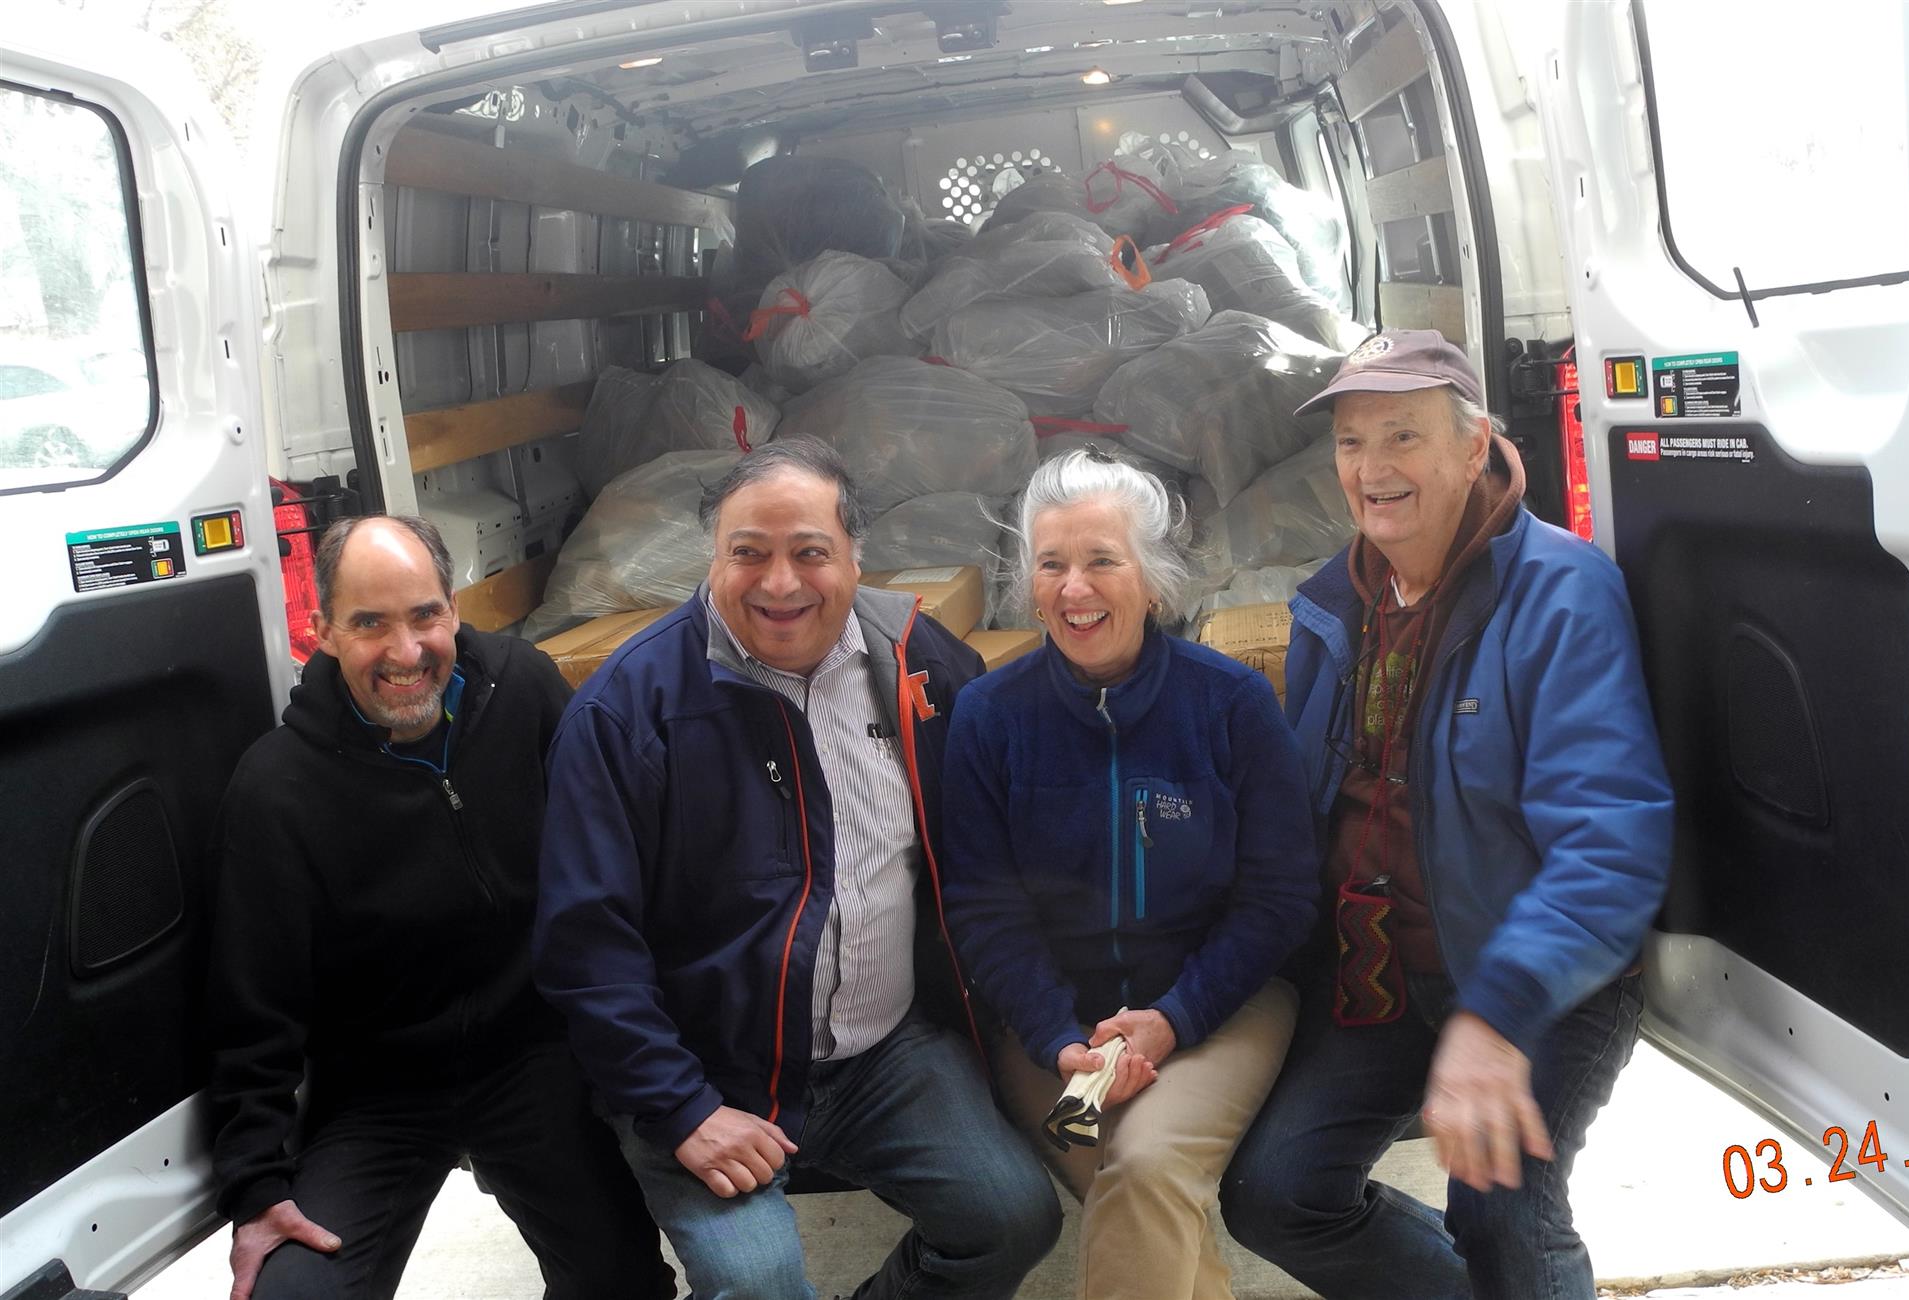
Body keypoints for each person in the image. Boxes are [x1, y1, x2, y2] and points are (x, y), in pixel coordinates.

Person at [533, 438, 1062, 1300]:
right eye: (749, 553)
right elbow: (586, 949)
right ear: (714, 560)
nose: (780, 584)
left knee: (1010, 1220)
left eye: (810, 552)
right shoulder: (631, 711)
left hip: (884, 1056)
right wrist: (682, 1110)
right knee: (761, 1287)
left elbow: (1007, 815)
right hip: (710, 1074)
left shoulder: (916, 661)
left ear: (856, 559)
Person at [1218, 329, 1675, 1299]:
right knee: (1274, 1190)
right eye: (1350, 442)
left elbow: (1610, 845)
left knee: (1502, 1203)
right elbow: (1303, 817)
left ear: (1474, 447)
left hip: (1540, 981)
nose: (1371, 469)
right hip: (1385, 975)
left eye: (1402, 436)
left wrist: (1495, 1019)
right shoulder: (1331, 607)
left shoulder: (1560, 593)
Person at [205, 515, 672, 1300]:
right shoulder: (275, 789)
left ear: (453, 610)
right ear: (319, 630)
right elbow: (252, 1005)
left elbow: (615, 866)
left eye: (424, 614)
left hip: (532, 1053)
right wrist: (255, 1187)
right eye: (368, 623)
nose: (405, 651)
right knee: (290, 1295)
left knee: (622, 1281)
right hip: (378, 1089)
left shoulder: (523, 689)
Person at [939, 448, 1322, 1300]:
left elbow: (1280, 896)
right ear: (1028, 583)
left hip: (1220, 1007)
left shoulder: (1229, 704)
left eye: (1102, 561)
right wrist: (1055, 1038)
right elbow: (982, 908)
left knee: (1144, 1165)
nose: (1075, 590)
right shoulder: (989, 719)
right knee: (1145, 1200)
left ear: (1153, 579)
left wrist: (1173, 1018)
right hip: (1054, 1028)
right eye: (1052, 565)